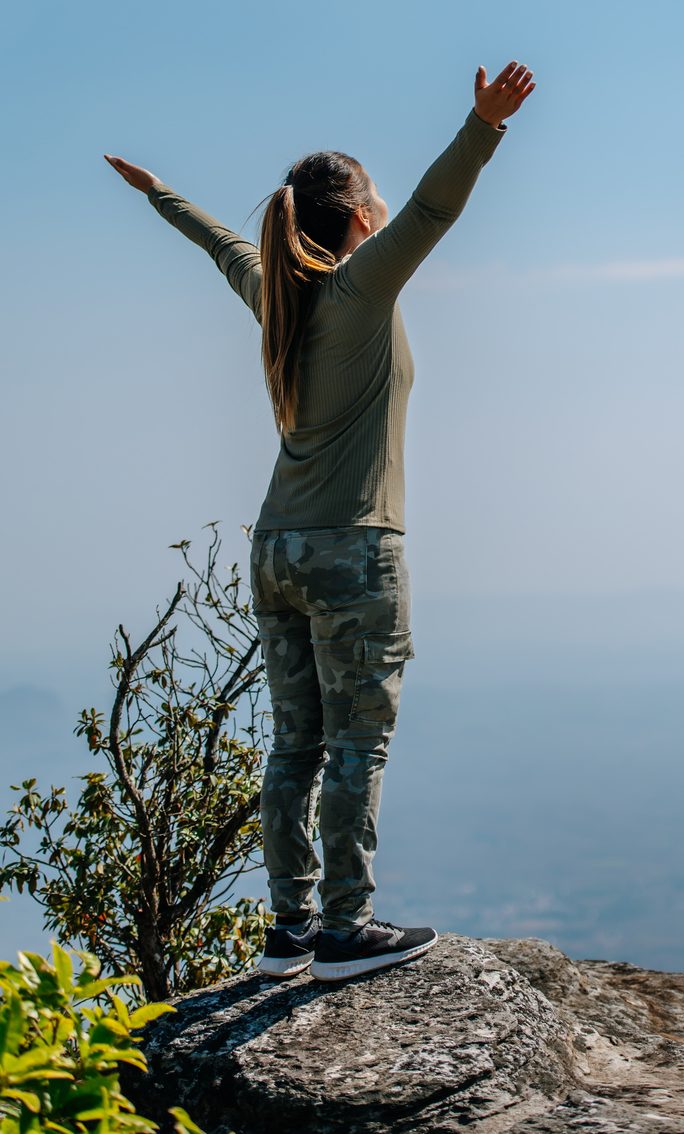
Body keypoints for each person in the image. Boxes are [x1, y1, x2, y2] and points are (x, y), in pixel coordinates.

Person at [104, 60, 536, 982]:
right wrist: (482, 128)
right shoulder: (356, 290)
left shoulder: (274, 294)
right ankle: (345, 929)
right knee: (355, 745)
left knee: (293, 743)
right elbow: (434, 209)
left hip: (276, 548)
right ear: (360, 219)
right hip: (352, 548)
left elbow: (218, 241)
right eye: (373, 197)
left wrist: (158, 193)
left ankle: (288, 929)